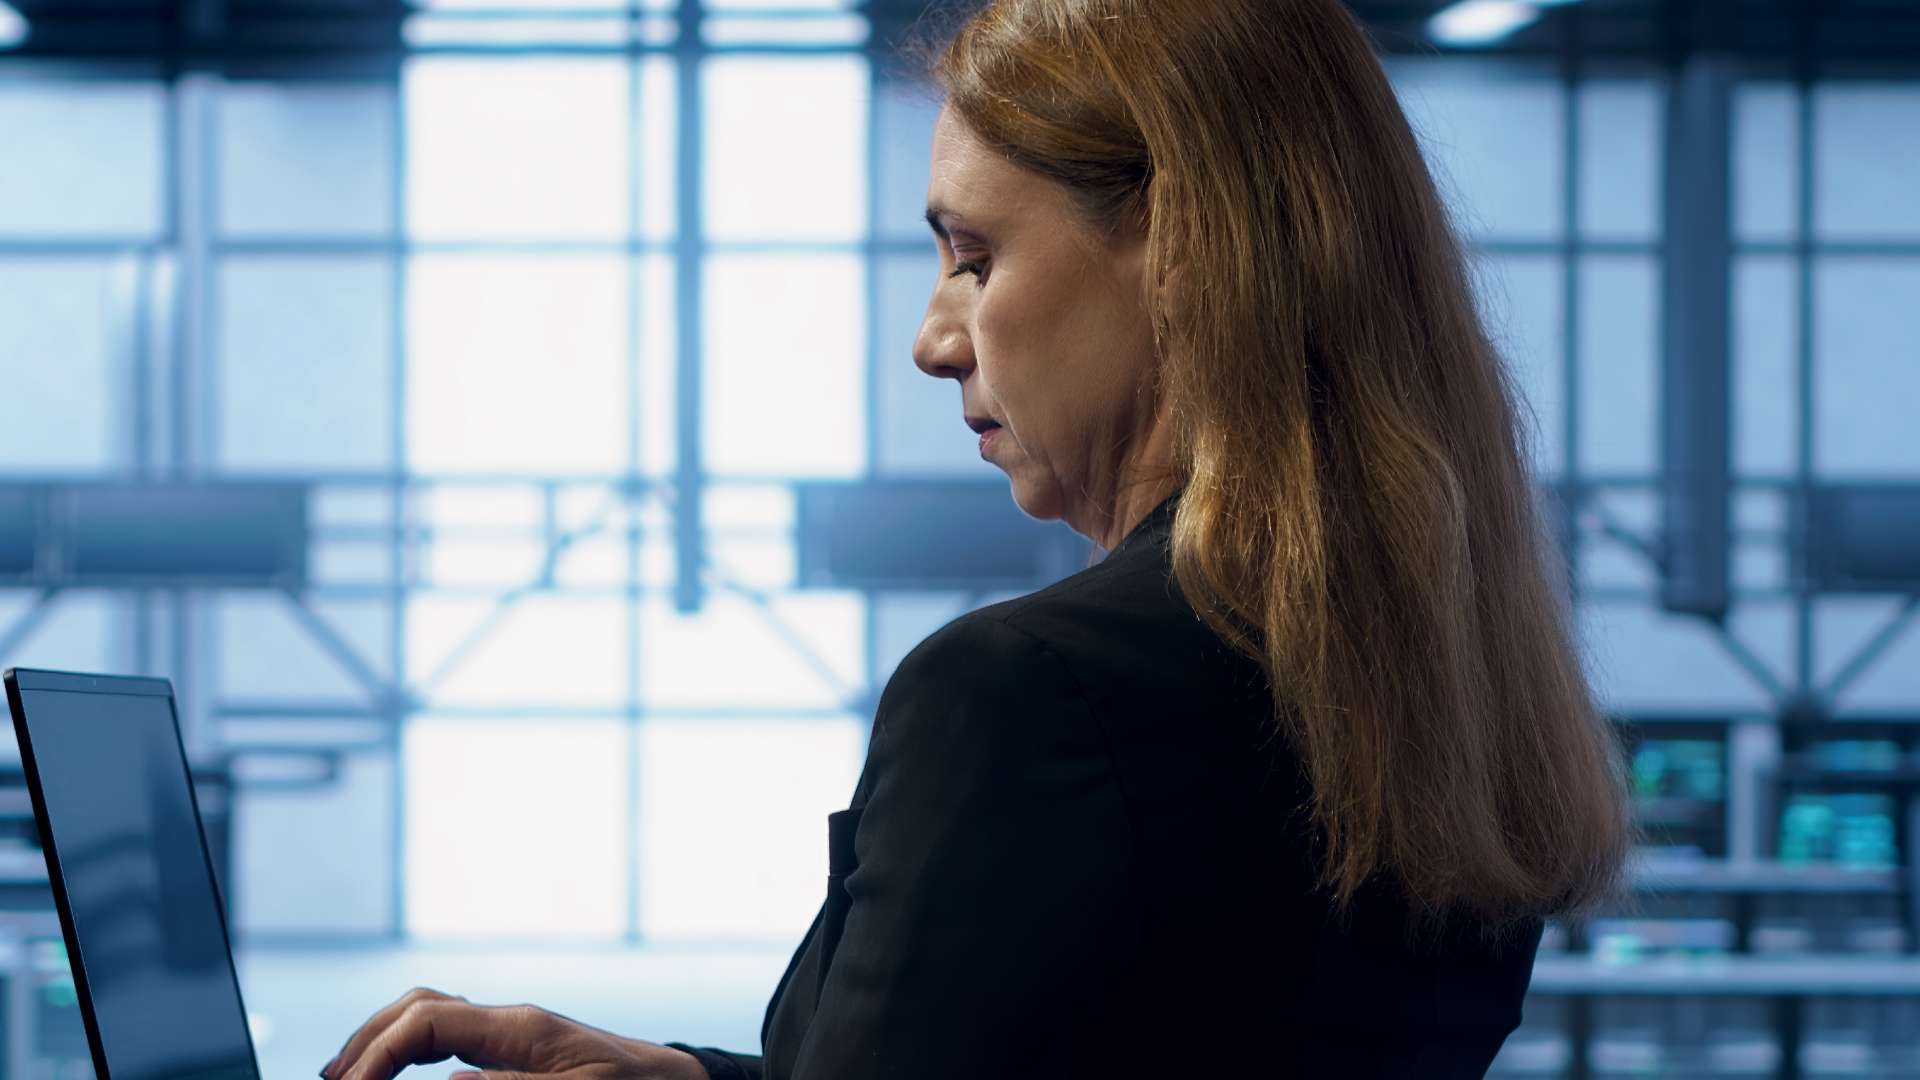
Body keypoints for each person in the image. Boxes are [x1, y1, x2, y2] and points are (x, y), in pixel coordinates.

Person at [320, 0, 1637, 1077]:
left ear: (1184, 246)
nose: (935, 337)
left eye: (975, 257)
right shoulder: (1441, 704)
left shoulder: (1034, 696)